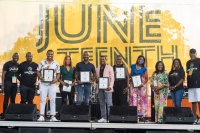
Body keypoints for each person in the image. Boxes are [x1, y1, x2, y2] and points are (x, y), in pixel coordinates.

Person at [37, 49, 60, 122]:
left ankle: (53, 116)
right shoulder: (42, 62)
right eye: (49, 54)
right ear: (46, 54)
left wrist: (56, 80)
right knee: (42, 99)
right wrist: (41, 78)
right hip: (43, 84)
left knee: (53, 100)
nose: (50, 55)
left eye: (51, 54)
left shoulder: (56, 63)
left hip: (52, 84)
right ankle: (41, 116)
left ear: (53, 55)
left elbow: (58, 73)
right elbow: (38, 71)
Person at [96, 56, 114, 123]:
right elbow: (96, 79)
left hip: (108, 89)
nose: (102, 60)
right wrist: (96, 80)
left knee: (109, 103)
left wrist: (110, 86)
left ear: (105, 60)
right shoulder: (97, 69)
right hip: (100, 89)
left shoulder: (110, 68)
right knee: (102, 104)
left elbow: (112, 79)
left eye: (103, 59)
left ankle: (110, 118)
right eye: (101, 59)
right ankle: (104, 117)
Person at [1, 53, 19, 119]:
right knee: (6, 99)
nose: (16, 57)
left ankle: (12, 114)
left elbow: (18, 75)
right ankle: (4, 114)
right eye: (15, 56)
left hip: (14, 83)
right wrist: (3, 85)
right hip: (8, 83)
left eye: (17, 56)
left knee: (13, 99)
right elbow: (3, 74)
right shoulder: (7, 64)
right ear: (12, 56)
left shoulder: (18, 65)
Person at [186, 48, 200, 123]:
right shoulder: (188, 63)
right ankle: (194, 118)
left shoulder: (199, 60)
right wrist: (188, 84)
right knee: (193, 102)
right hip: (191, 85)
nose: (192, 54)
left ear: (196, 53)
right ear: (189, 54)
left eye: (194, 53)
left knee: (199, 101)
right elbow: (189, 73)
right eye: (191, 53)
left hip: (198, 85)